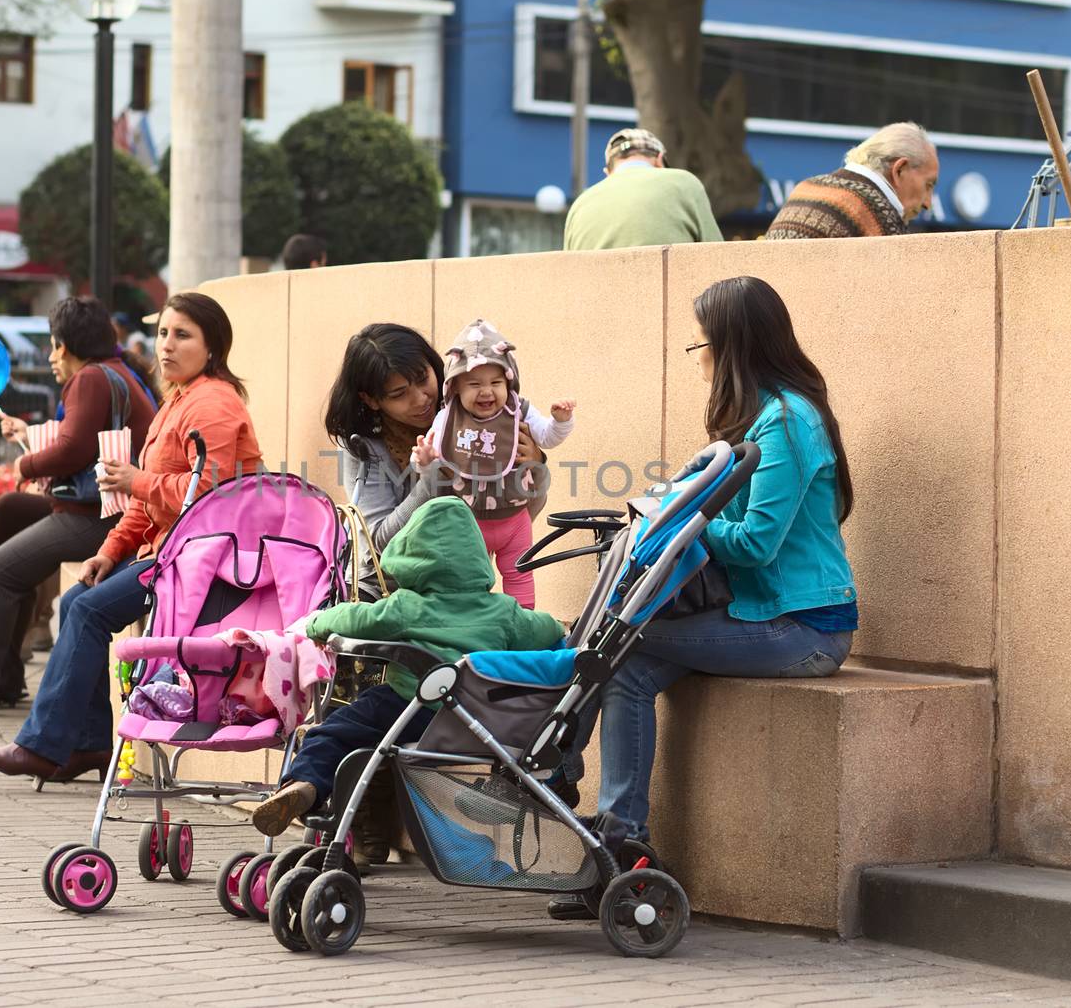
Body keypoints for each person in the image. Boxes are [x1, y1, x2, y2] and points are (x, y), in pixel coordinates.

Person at [559, 276, 857, 909]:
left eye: (700, 347)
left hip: (806, 629)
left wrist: (677, 518)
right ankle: (620, 850)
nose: (698, 362)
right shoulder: (761, 416)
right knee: (625, 662)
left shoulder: (787, 424)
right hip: (759, 613)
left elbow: (754, 543)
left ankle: (562, 781)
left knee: (622, 646)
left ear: (731, 347)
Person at [0, 292, 263, 784]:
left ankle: (40, 747)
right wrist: (109, 551)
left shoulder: (213, 402)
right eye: (164, 333)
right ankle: (88, 747)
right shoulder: (179, 399)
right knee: (77, 599)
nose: (167, 345)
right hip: (170, 550)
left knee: (86, 610)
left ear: (213, 348)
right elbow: (147, 506)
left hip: (205, 558)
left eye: (182, 335)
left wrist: (134, 482)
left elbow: (208, 495)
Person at [251, 497, 566, 836]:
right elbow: (548, 629)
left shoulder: (407, 607)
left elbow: (356, 619)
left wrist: (317, 624)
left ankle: (306, 785)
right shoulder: (504, 611)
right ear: (477, 555)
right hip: (475, 726)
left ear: (412, 556)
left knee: (334, 733)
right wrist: (564, 630)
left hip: (406, 712)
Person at [0, 298, 160, 714]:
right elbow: (81, 439)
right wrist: (30, 437)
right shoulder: (114, 373)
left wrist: (24, 461)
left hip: (101, 518)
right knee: (12, 509)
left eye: (53, 346)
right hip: (103, 509)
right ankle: (1, 672)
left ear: (67, 345)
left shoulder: (90, 379)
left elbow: (72, 450)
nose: (50, 357)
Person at [411, 319, 574, 608]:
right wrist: (423, 462)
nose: (486, 391)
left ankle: (521, 630)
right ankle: (477, 628)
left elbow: (547, 438)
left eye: (496, 383)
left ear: (509, 382)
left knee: (521, 576)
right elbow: (434, 462)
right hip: (467, 523)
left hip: (515, 520)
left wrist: (561, 421)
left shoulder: (519, 410)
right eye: (474, 384)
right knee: (467, 584)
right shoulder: (449, 419)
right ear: (455, 389)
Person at [766, 122, 938, 239]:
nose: (927, 203)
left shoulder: (806, 187)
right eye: (928, 185)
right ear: (899, 169)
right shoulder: (878, 214)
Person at [563, 128, 723, 251]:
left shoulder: (580, 204)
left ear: (608, 173)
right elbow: (718, 255)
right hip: (672, 292)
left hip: (596, 293)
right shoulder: (685, 182)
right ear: (660, 161)